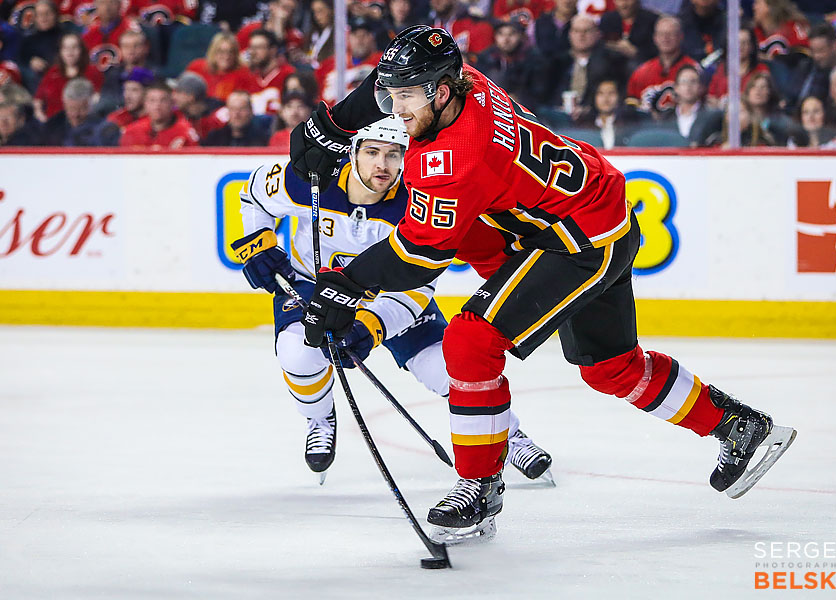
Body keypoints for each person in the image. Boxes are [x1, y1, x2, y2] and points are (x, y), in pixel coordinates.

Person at [287, 25, 797, 542]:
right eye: (391, 97)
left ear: (440, 92)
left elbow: (419, 256)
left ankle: (479, 486)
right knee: (609, 368)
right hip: (594, 216)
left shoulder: (454, 157)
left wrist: (343, 284)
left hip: (577, 244)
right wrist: (331, 124)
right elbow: (394, 76)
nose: (395, 110)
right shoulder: (465, 82)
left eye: (406, 98)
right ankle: (737, 426)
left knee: (469, 339)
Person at [235, 116, 554, 484]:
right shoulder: (310, 178)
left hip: (393, 296)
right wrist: (257, 243)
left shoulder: (421, 200)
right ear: (352, 151)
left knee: (451, 372)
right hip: (314, 287)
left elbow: (419, 286)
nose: (382, 165)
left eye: (394, 154)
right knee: (298, 353)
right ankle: (319, 418)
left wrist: (371, 325)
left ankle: (507, 436)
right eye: (371, 152)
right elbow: (254, 194)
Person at [626, 16, 700, 115]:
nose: (665, 38)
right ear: (655, 38)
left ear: (681, 37)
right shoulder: (641, 72)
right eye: (661, 34)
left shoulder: (693, 70)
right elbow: (631, 108)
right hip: (647, 128)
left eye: (671, 34)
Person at [33, 32, 104, 121]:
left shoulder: (92, 71)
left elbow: (97, 99)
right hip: (52, 122)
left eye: (74, 47)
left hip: (82, 121)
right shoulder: (53, 72)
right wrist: (40, 116)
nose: (70, 52)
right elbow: (38, 99)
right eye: (66, 48)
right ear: (61, 51)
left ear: (81, 50)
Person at [39, 77, 120, 145]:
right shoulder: (52, 127)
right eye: (71, 109)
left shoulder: (106, 130)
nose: (75, 115)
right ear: (64, 104)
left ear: (92, 104)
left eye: (81, 109)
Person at [119, 81, 200, 148]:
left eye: (163, 100)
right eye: (152, 100)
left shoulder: (185, 132)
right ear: (145, 104)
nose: (157, 105)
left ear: (172, 103)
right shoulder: (132, 132)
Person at [201, 89, 271, 146]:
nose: (236, 114)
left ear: (251, 111)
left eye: (242, 109)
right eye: (232, 109)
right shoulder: (214, 139)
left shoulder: (264, 140)